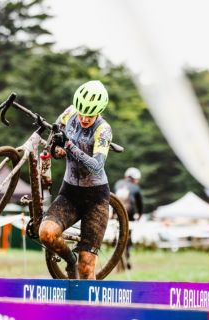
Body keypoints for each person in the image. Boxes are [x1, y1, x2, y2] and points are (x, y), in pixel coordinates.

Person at [39, 80, 112, 280]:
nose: (84, 118)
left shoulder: (103, 130)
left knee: (87, 267)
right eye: (82, 112)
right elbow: (54, 138)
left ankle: (89, 310)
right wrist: (56, 149)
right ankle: (69, 260)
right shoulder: (70, 112)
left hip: (95, 198)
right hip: (70, 193)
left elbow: (97, 165)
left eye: (90, 114)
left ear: (98, 111)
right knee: (46, 233)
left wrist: (69, 146)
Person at [114, 167, 144, 269]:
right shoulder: (135, 187)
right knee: (128, 236)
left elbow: (116, 198)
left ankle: (118, 259)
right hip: (129, 214)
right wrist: (140, 214)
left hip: (117, 212)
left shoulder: (118, 183)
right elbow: (139, 204)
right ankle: (127, 256)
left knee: (119, 235)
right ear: (135, 178)